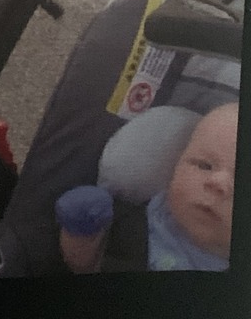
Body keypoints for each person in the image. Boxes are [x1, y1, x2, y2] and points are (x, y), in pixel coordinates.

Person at [56, 102, 238, 272]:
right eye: (204, 165)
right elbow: (83, 266)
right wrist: (81, 233)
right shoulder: (135, 220)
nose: (217, 183)